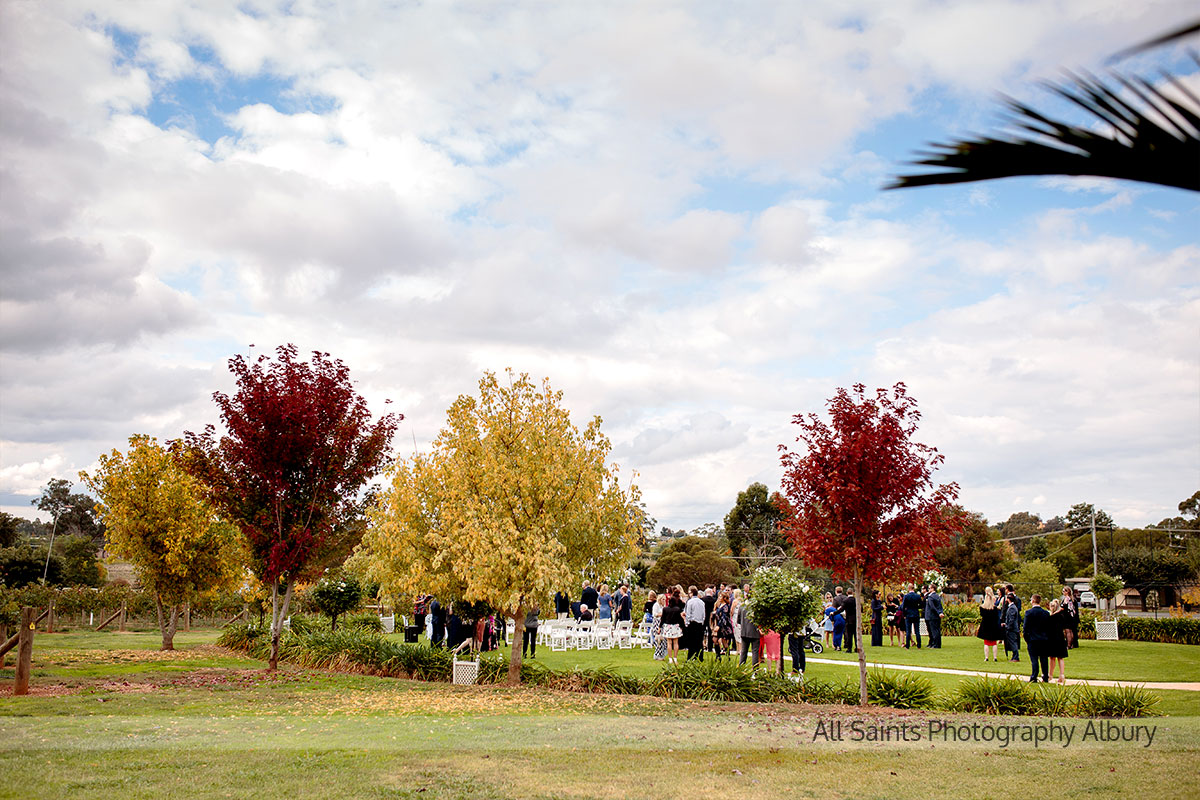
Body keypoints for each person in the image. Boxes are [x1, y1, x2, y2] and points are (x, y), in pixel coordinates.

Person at [1023, 594, 1050, 683]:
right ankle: (1045, 676)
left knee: (1034, 659)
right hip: (1044, 639)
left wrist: (1027, 639)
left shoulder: (1029, 613)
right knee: (1044, 659)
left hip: (1032, 639)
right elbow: (1048, 627)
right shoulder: (1046, 613)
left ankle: (1034, 676)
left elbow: (1025, 628)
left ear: (1033, 601)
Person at [659, 588, 685, 665]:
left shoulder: (665, 609)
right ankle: (675, 658)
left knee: (669, 643)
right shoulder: (677, 609)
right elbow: (680, 619)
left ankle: (670, 658)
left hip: (668, 626)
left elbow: (663, 618)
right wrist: (682, 626)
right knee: (676, 643)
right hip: (675, 626)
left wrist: (660, 627)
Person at [1047, 598, 1069, 685]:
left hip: (1052, 638)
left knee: (1052, 658)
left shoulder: (1051, 618)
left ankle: (1050, 675)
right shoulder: (1061, 616)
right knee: (1060, 657)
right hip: (1060, 638)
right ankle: (1062, 675)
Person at [737, 589, 761, 666]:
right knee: (755, 651)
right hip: (754, 631)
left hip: (744, 631)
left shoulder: (742, 607)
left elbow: (738, 620)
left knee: (744, 651)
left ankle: (741, 666)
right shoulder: (756, 607)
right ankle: (755, 668)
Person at [684, 585, 706, 660]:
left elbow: (688, 613)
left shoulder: (690, 602)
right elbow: (703, 614)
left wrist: (687, 623)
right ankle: (700, 656)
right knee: (699, 641)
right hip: (700, 623)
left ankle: (691, 656)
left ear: (692, 593)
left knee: (691, 641)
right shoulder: (702, 602)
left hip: (692, 623)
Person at [1002, 587, 1022, 662]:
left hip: (1012, 629)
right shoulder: (1011, 607)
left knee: (1013, 643)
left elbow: (1011, 619)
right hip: (1011, 628)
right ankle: (1014, 656)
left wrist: (1007, 626)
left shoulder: (1012, 608)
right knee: (1012, 642)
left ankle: (1016, 656)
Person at [713, 591, 734, 659]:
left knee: (724, 641)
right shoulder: (719, 605)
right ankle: (718, 656)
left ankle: (728, 656)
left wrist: (718, 626)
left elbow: (724, 617)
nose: (719, 598)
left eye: (721, 596)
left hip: (724, 626)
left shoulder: (725, 606)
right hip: (719, 624)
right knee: (715, 639)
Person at [902, 584, 923, 649]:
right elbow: (921, 605)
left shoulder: (906, 596)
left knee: (908, 631)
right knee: (917, 631)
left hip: (908, 614)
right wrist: (916, 607)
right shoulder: (917, 596)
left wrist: (904, 614)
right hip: (916, 614)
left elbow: (903, 606)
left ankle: (907, 645)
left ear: (908, 588)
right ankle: (919, 645)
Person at [652, 592, 667, 660]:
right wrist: (661, 614)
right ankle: (657, 655)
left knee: (663, 640)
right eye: (663, 599)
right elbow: (655, 614)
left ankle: (662, 655)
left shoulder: (663, 606)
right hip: (657, 623)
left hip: (662, 623)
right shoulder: (656, 605)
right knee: (658, 640)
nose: (664, 601)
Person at [730, 588, 744, 655]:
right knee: (739, 633)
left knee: (736, 633)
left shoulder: (735, 601)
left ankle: (739, 649)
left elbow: (732, 611)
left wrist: (731, 617)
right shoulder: (743, 601)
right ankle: (739, 649)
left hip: (735, 618)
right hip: (741, 618)